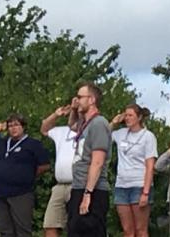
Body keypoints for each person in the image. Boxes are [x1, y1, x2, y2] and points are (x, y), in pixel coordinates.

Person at [0, 114, 50, 237]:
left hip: (21, 192)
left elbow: (45, 165)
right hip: (1, 192)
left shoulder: (33, 144)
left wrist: (28, 175)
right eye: (10, 125)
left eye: (16, 125)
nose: (13, 128)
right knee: (5, 229)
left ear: (23, 126)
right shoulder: (1, 144)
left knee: (22, 229)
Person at [67, 82, 111, 237]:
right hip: (79, 185)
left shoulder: (99, 123)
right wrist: (73, 109)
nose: (77, 100)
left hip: (93, 190)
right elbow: (71, 124)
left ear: (92, 99)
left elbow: (97, 161)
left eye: (80, 97)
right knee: (74, 230)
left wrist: (88, 193)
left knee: (90, 231)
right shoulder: (85, 124)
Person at [109, 104, 158, 237]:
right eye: (126, 115)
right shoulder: (120, 134)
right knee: (127, 230)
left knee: (140, 229)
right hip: (121, 185)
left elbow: (149, 166)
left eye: (130, 115)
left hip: (139, 185)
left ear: (139, 117)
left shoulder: (148, 136)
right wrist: (114, 122)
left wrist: (145, 192)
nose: (127, 118)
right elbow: (104, 135)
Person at [40, 103, 79, 237]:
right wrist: (56, 114)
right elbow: (44, 129)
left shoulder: (90, 130)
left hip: (78, 184)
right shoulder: (61, 131)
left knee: (77, 226)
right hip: (60, 185)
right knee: (50, 224)